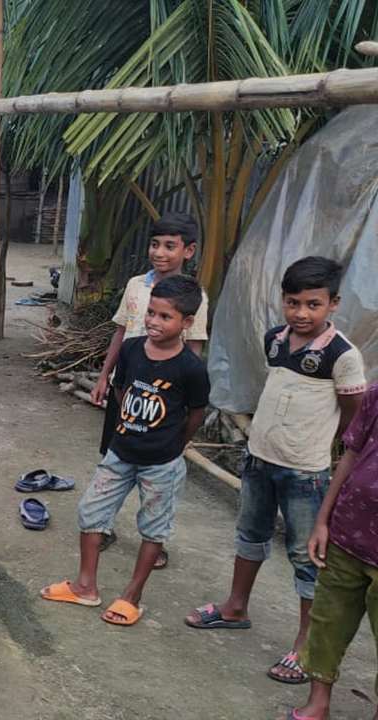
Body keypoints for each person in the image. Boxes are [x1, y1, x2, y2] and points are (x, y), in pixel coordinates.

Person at [186, 257, 365, 683]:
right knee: (249, 535)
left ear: (333, 304)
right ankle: (235, 607)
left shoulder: (343, 355)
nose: (301, 313)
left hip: (306, 472)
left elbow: (352, 412)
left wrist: (322, 442)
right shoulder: (275, 340)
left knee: (306, 558)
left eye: (312, 304)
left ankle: (305, 645)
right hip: (260, 459)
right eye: (292, 303)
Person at [41, 276, 210, 626]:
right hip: (120, 454)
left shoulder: (191, 369)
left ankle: (132, 596)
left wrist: (175, 443)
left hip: (162, 464)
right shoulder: (132, 349)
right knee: (91, 511)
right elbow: (120, 390)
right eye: (151, 312)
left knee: (154, 528)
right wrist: (126, 427)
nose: (153, 321)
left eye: (166, 317)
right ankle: (85, 586)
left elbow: (196, 414)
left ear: (187, 323)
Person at [90, 212, 209, 569]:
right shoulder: (135, 285)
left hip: (162, 396)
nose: (160, 252)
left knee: (157, 472)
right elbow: (121, 332)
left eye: (170, 246)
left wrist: (179, 397)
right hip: (126, 382)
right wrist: (105, 376)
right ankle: (103, 525)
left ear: (188, 251)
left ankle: (154, 539)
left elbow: (195, 347)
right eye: (155, 244)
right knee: (113, 455)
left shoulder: (195, 297)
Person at [277, 381, 378, 720]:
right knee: (326, 624)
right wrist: (323, 519)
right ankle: (318, 703)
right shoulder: (377, 394)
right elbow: (351, 453)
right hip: (348, 535)